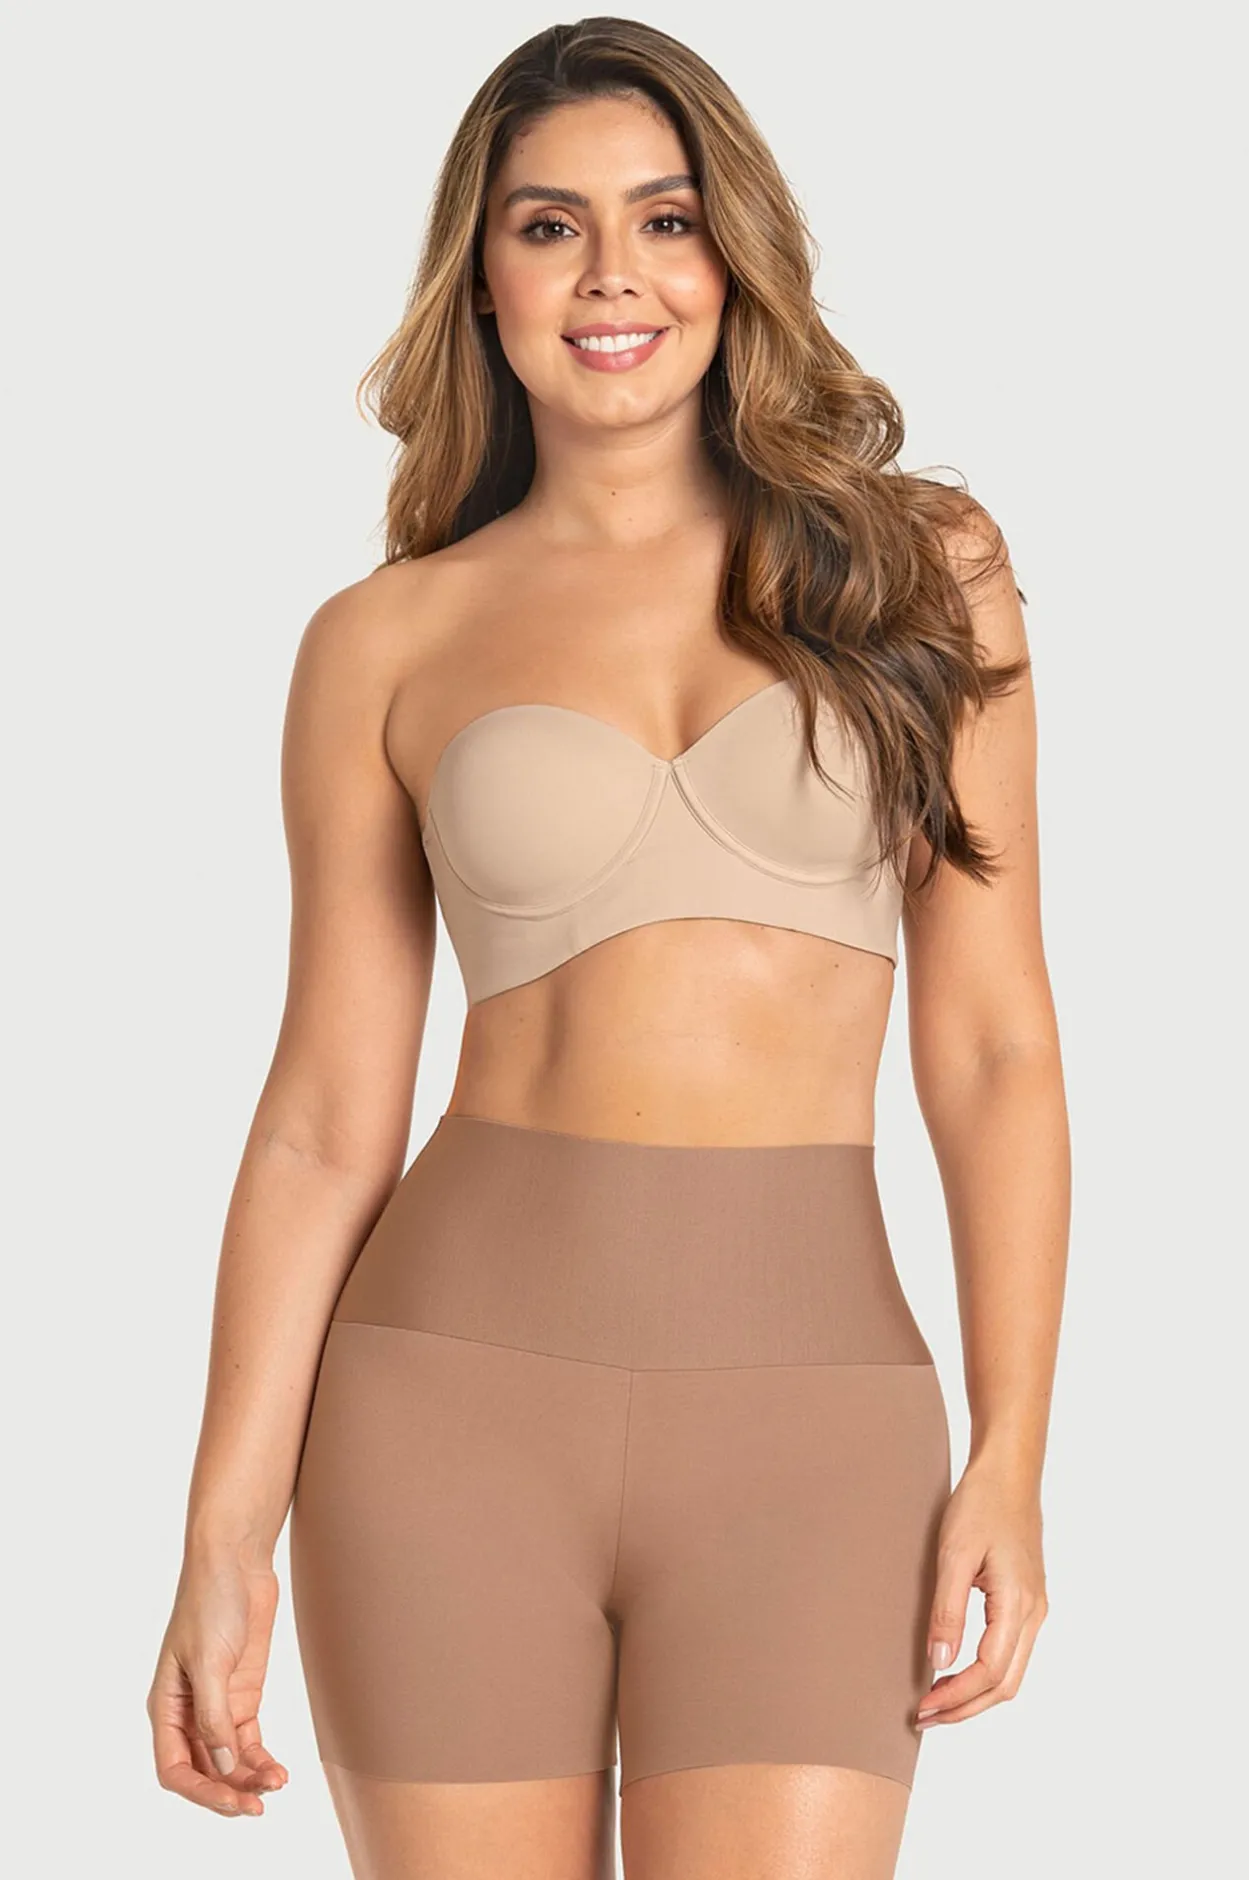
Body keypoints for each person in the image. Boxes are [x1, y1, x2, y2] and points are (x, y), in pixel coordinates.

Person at [147, 17, 1070, 1878]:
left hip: (818, 1432)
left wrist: (1014, 1450)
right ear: (482, 282)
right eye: (548, 227)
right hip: (445, 1412)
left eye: (664, 219)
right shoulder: (385, 641)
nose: (612, 276)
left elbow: (995, 1052)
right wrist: (221, 1532)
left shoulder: (921, 569)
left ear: (735, 254)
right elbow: (324, 1119)